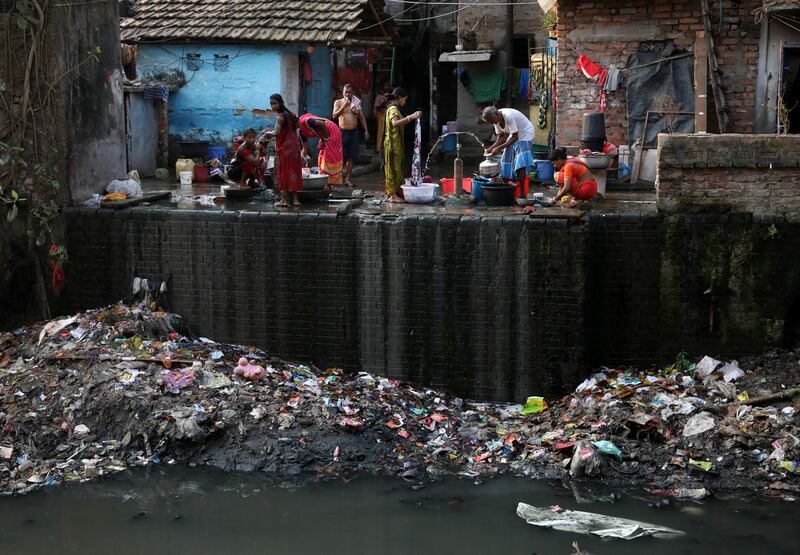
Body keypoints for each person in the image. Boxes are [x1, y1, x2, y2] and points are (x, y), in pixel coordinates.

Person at [262, 93, 303, 207]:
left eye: (275, 103)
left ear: (280, 103)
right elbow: (297, 126)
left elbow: (276, 132)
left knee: (283, 172)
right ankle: (295, 200)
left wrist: (266, 133)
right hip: (295, 146)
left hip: (285, 148)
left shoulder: (280, 117)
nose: (273, 106)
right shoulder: (291, 114)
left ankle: (284, 200)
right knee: (294, 171)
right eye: (271, 104)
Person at [383, 87, 422, 203]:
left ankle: (393, 192)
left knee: (397, 168)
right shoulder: (394, 109)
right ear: (399, 98)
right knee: (392, 169)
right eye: (404, 100)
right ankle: (392, 195)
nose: (405, 102)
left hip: (396, 143)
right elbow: (394, 123)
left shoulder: (395, 109)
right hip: (392, 145)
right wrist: (411, 117)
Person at [482, 106, 535, 185]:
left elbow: (515, 137)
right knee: (505, 160)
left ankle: (522, 193)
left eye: (492, 121)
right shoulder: (495, 120)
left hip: (525, 134)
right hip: (514, 134)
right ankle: (505, 186)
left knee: (520, 163)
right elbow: (502, 136)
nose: (493, 123)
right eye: (491, 122)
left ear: (497, 114)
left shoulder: (508, 116)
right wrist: (491, 148)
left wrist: (499, 148)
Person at [332, 84, 369, 187]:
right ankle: (337, 179)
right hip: (342, 132)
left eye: (350, 92)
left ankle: (347, 179)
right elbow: (334, 116)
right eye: (346, 92)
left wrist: (366, 130)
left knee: (351, 157)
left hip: (354, 132)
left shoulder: (355, 103)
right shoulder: (338, 102)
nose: (348, 94)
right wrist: (344, 106)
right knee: (340, 157)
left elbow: (361, 117)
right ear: (342, 93)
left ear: (353, 93)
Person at [298, 113, 343, 188]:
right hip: (325, 135)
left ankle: (331, 184)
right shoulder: (301, 132)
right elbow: (304, 149)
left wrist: (326, 138)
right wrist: (298, 164)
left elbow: (322, 124)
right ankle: (326, 183)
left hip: (332, 131)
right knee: (321, 156)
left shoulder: (307, 121)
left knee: (330, 156)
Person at [373, 82, 391, 154]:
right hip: (381, 115)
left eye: (387, 85)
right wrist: (384, 101)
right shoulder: (379, 96)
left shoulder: (390, 95)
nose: (386, 87)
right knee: (380, 132)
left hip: (388, 114)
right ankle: (379, 148)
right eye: (385, 85)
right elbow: (377, 106)